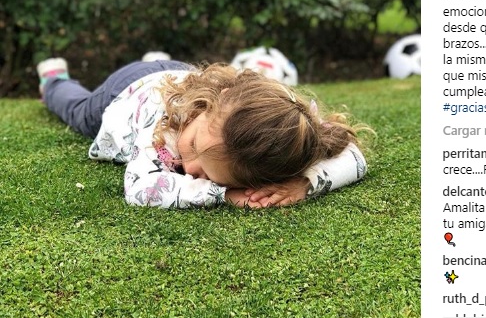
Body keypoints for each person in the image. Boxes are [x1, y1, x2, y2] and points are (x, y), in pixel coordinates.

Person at [37, 58, 368, 209]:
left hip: (179, 71)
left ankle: (155, 58)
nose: (189, 166)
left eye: (209, 176)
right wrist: (223, 194)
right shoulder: (166, 127)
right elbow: (139, 188)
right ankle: (54, 81)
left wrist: (303, 183)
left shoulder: (286, 131)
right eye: (194, 144)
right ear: (209, 104)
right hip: (127, 91)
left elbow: (354, 157)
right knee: (77, 112)